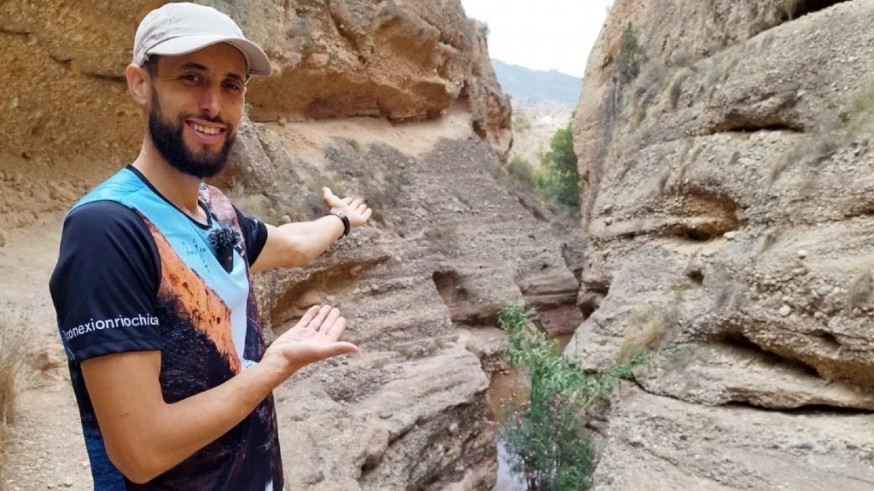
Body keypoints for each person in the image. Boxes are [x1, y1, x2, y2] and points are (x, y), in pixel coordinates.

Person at [49, 3, 370, 489]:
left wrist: (343, 219)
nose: (214, 106)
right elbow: (142, 451)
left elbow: (292, 244)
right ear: (140, 83)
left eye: (230, 85)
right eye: (191, 78)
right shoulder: (108, 231)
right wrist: (275, 366)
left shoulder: (213, 208)